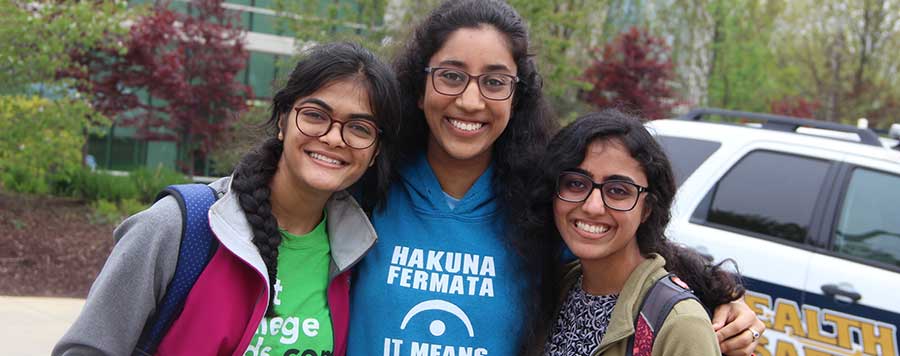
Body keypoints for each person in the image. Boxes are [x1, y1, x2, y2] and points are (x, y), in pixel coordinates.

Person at [348, 1, 765, 355]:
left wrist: (722, 295)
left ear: (517, 95)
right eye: (451, 76)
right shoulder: (369, 183)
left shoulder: (539, 204)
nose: (470, 101)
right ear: (419, 88)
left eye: (495, 82)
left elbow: (634, 247)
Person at [53, 42, 401, 356]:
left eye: (359, 128)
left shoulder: (357, 255)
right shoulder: (177, 226)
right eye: (315, 115)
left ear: (374, 153)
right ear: (283, 121)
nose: (333, 137)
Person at [526, 110, 749, 355]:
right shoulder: (558, 288)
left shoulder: (679, 324)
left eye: (618, 190)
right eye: (576, 184)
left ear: (647, 209)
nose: (592, 206)